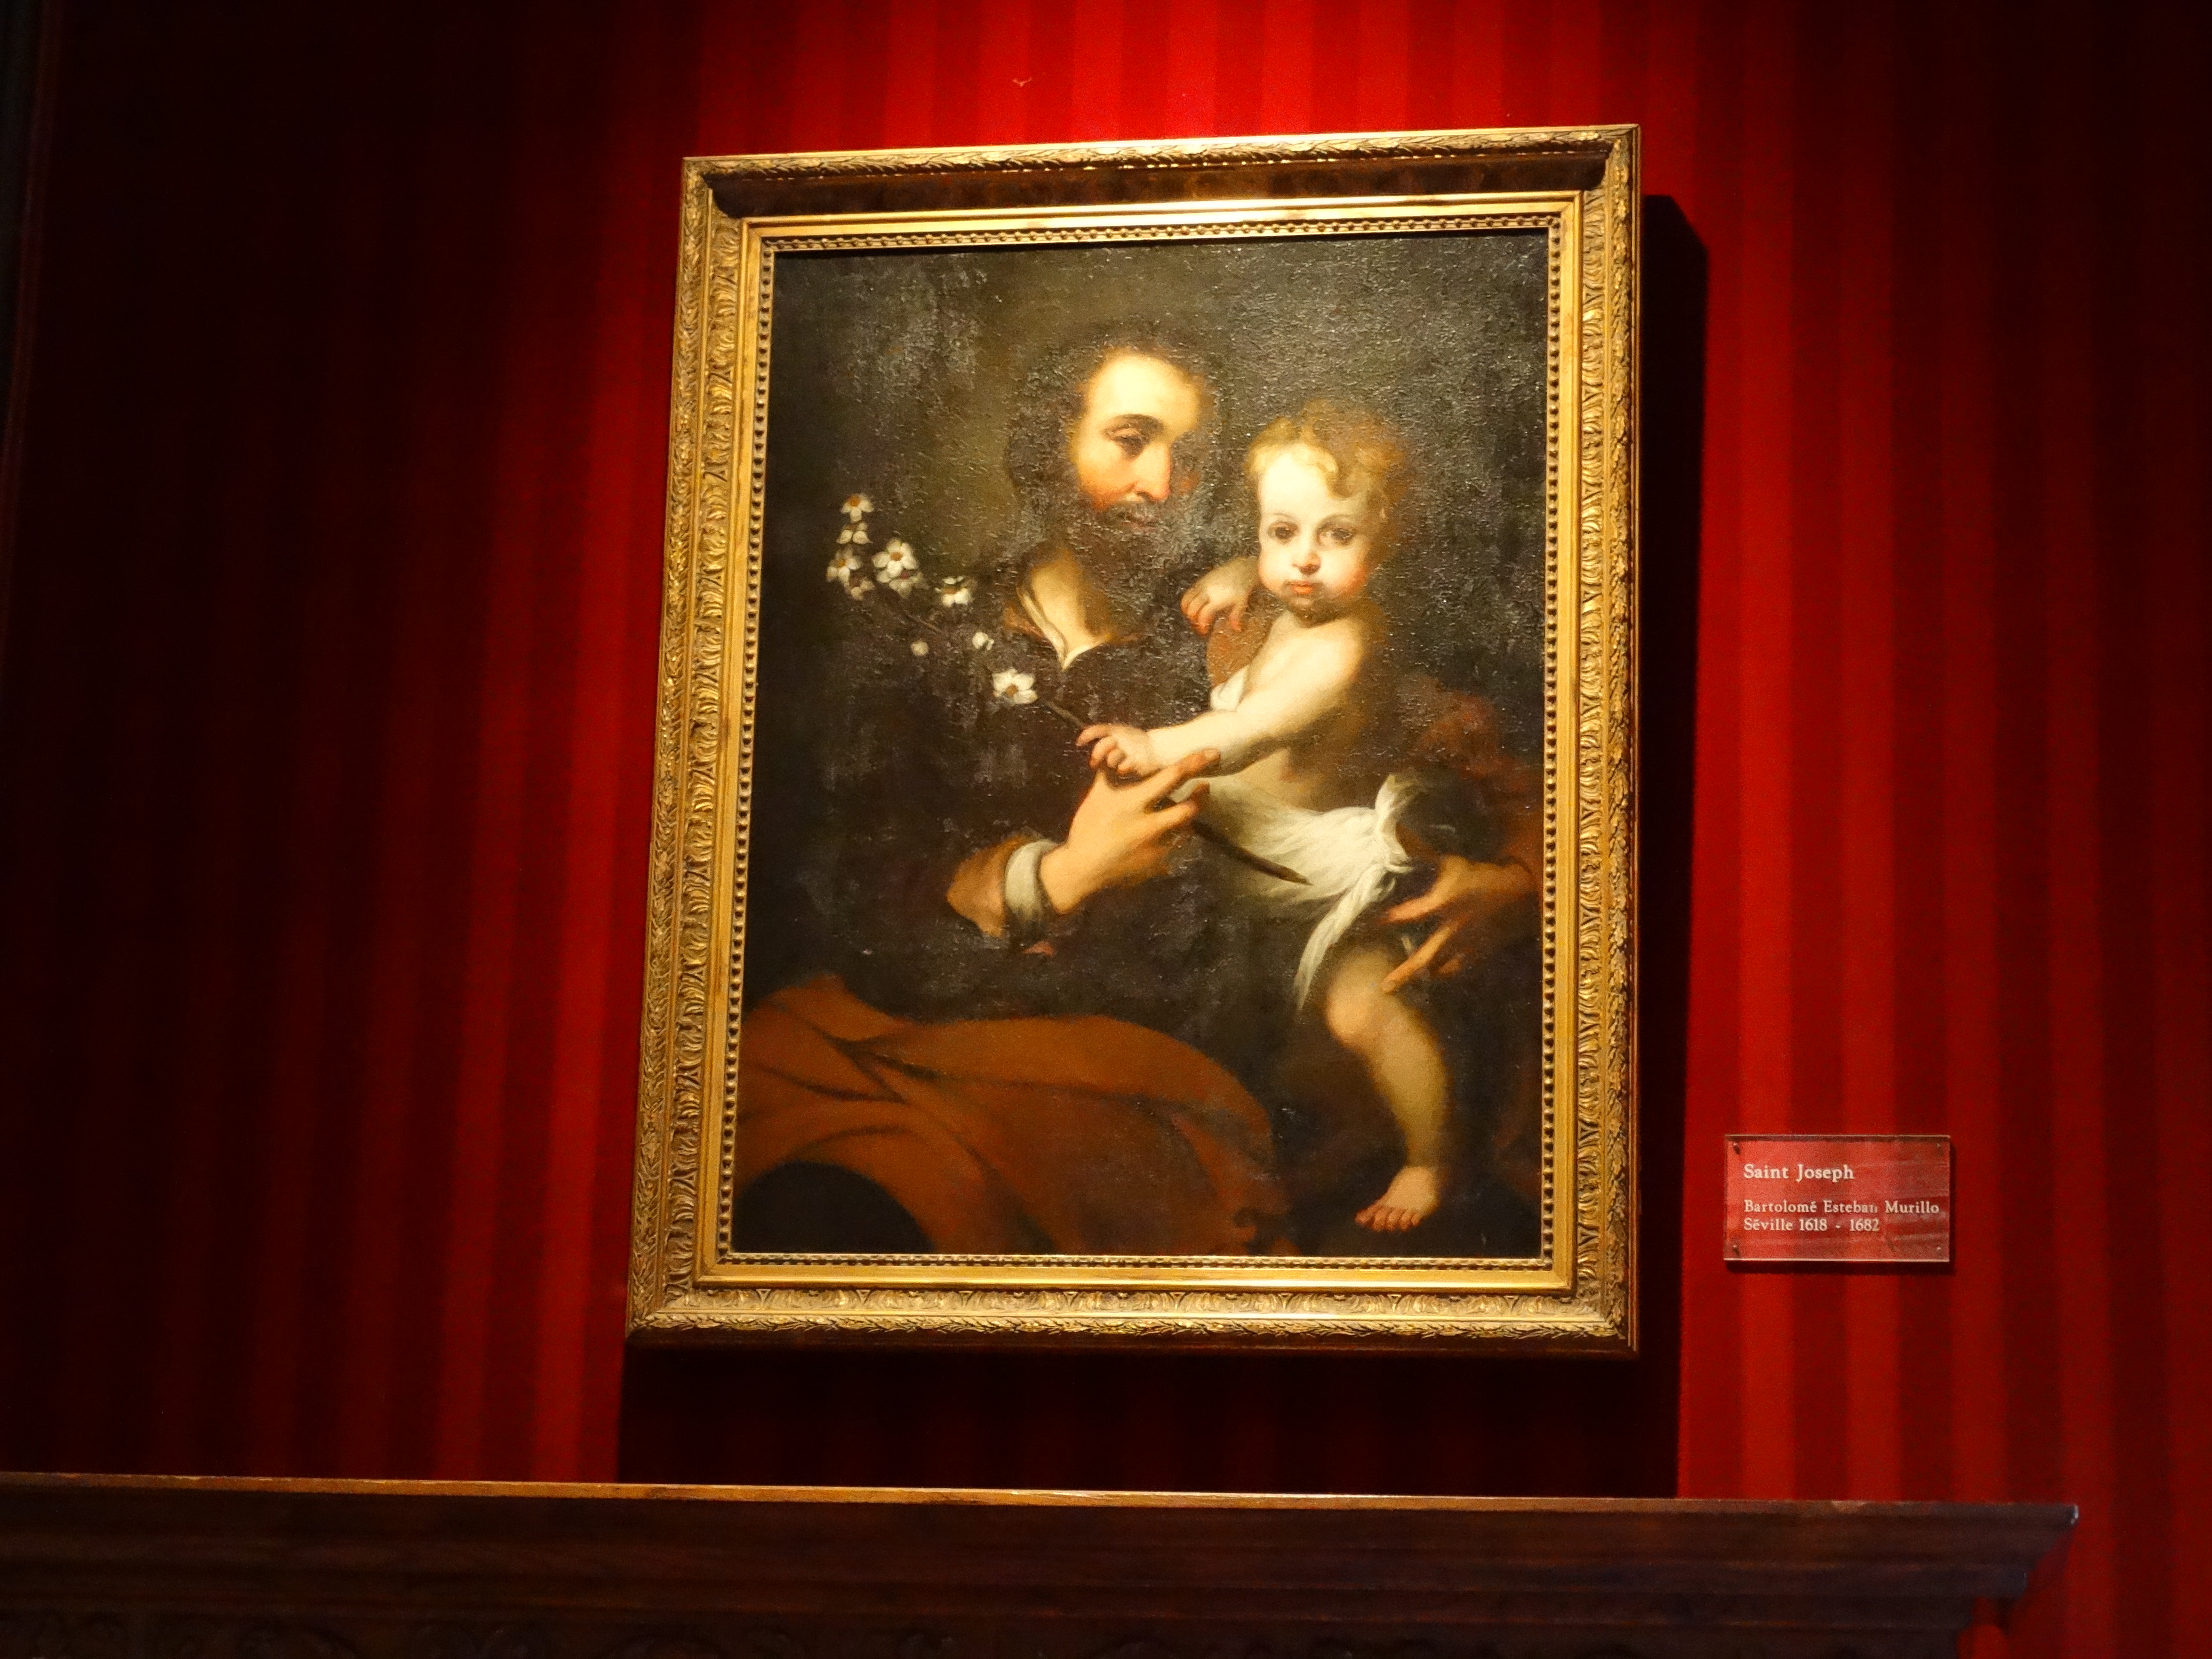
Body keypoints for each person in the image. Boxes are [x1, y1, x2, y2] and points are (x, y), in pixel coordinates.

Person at [737, 324, 1543, 1256]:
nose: (1161, 484)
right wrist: (1057, 876)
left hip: (1131, 1057)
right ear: (1052, 444)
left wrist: (1519, 881)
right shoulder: (939, 630)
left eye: (1190, 459)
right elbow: (854, 880)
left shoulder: (1233, 624)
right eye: (1130, 441)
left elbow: (1479, 761)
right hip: (916, 1022)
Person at [1078, 403, 1453, 1233]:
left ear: (1384, 543)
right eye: (1282, 532)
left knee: (1363, 1010)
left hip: (1312, 871)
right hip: (1241, 850)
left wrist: (1154, 745)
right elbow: (1290, 566)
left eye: (1337, 536)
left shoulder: (1343, 647)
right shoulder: (1298, 595)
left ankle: (1429, 1161)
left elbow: (1254, 729)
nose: (1304, 559)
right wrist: (1243, 570)